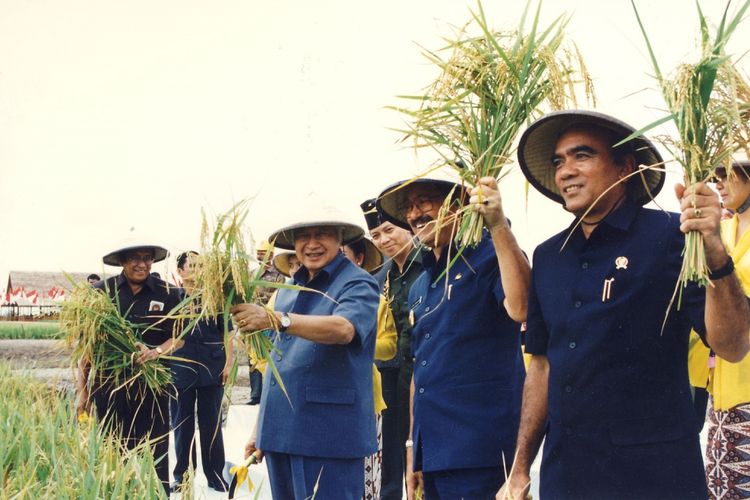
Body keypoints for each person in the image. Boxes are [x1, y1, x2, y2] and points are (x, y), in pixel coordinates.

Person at [501, 110, 750, 499]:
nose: (565, 170)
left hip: (653, 474)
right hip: (567, 473)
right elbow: (542, 365)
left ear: (625, 168)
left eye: (582, 155)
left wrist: (716, 251)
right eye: (558, 161)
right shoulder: (549, 256)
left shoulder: (672, 236)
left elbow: (733, 344)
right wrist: (519, 467)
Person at [377, 176, 530, 499]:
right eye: (408, 208)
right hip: (433, 453)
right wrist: (412, 448)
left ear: (459, 206)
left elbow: (522, 308)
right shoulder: (422, 284)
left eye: (425, 202)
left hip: (480, 449)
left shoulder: (490, 257)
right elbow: (421, 369)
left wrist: (498, 225)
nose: (416, 214)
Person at [231, 201, 380, 499]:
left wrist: (276, 319)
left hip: (328, 436)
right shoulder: (288, 290)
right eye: (303, 236)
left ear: (339, 238)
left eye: (322, 234)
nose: (311, 244)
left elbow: (344, 329)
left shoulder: (357, 283)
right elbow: (279, 367)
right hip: (281, 436)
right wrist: (261, 429)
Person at [75, 241, 182, 493]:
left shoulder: (168, 292)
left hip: (152, 387)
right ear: (122, 261)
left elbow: (179, 337)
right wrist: (82, 389)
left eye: (147, 258)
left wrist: (155, 352)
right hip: (109, 387)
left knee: (155, 452)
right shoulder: (100, 293)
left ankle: (157, 495)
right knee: (112, 452)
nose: (142, 264)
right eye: (135, 258)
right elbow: (87, 346)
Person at [687, 161, 750, 498]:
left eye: (730, 174)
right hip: (721, 389)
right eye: (716, 177)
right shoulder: (719, 232)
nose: (720, 184)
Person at [361, 197, 423, 500]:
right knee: (391, 453)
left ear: (407, 227)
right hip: (392, 378)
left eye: (388, 230)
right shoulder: (380, 278)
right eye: (376, 235)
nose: (383, 240)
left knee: (421, 457)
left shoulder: (430, 264)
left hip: (424, 376)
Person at [169, 251, 234, 493]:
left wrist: (228, 364)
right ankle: (182, 476)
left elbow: (227, 334)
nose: (197, 270)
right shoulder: (172, 300)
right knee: (182, 425)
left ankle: (215, 475)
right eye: (192, 266)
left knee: (212, 424)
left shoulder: (214, 299)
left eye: (201, 266)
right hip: (180, 368)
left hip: (211, 369)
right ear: (180, 271)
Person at [342, 235, 398, 500]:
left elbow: (390, 347)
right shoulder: (305, 301)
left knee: (366, 480)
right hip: (318, 405)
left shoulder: (376, 301)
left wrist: (357, 340)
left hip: (366, 399)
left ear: (359, 258)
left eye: (342, 254)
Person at [247, 240, 285, 405]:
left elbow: (280, 297)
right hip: (253, 323)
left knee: (270, 358)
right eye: (259, 253)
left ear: (271, 255)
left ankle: (271, 394)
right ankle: (255, 395)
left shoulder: (278, 275)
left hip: (269, 322)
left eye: (264, 253)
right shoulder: (252, 274)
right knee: (254, 358)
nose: (260, 256)